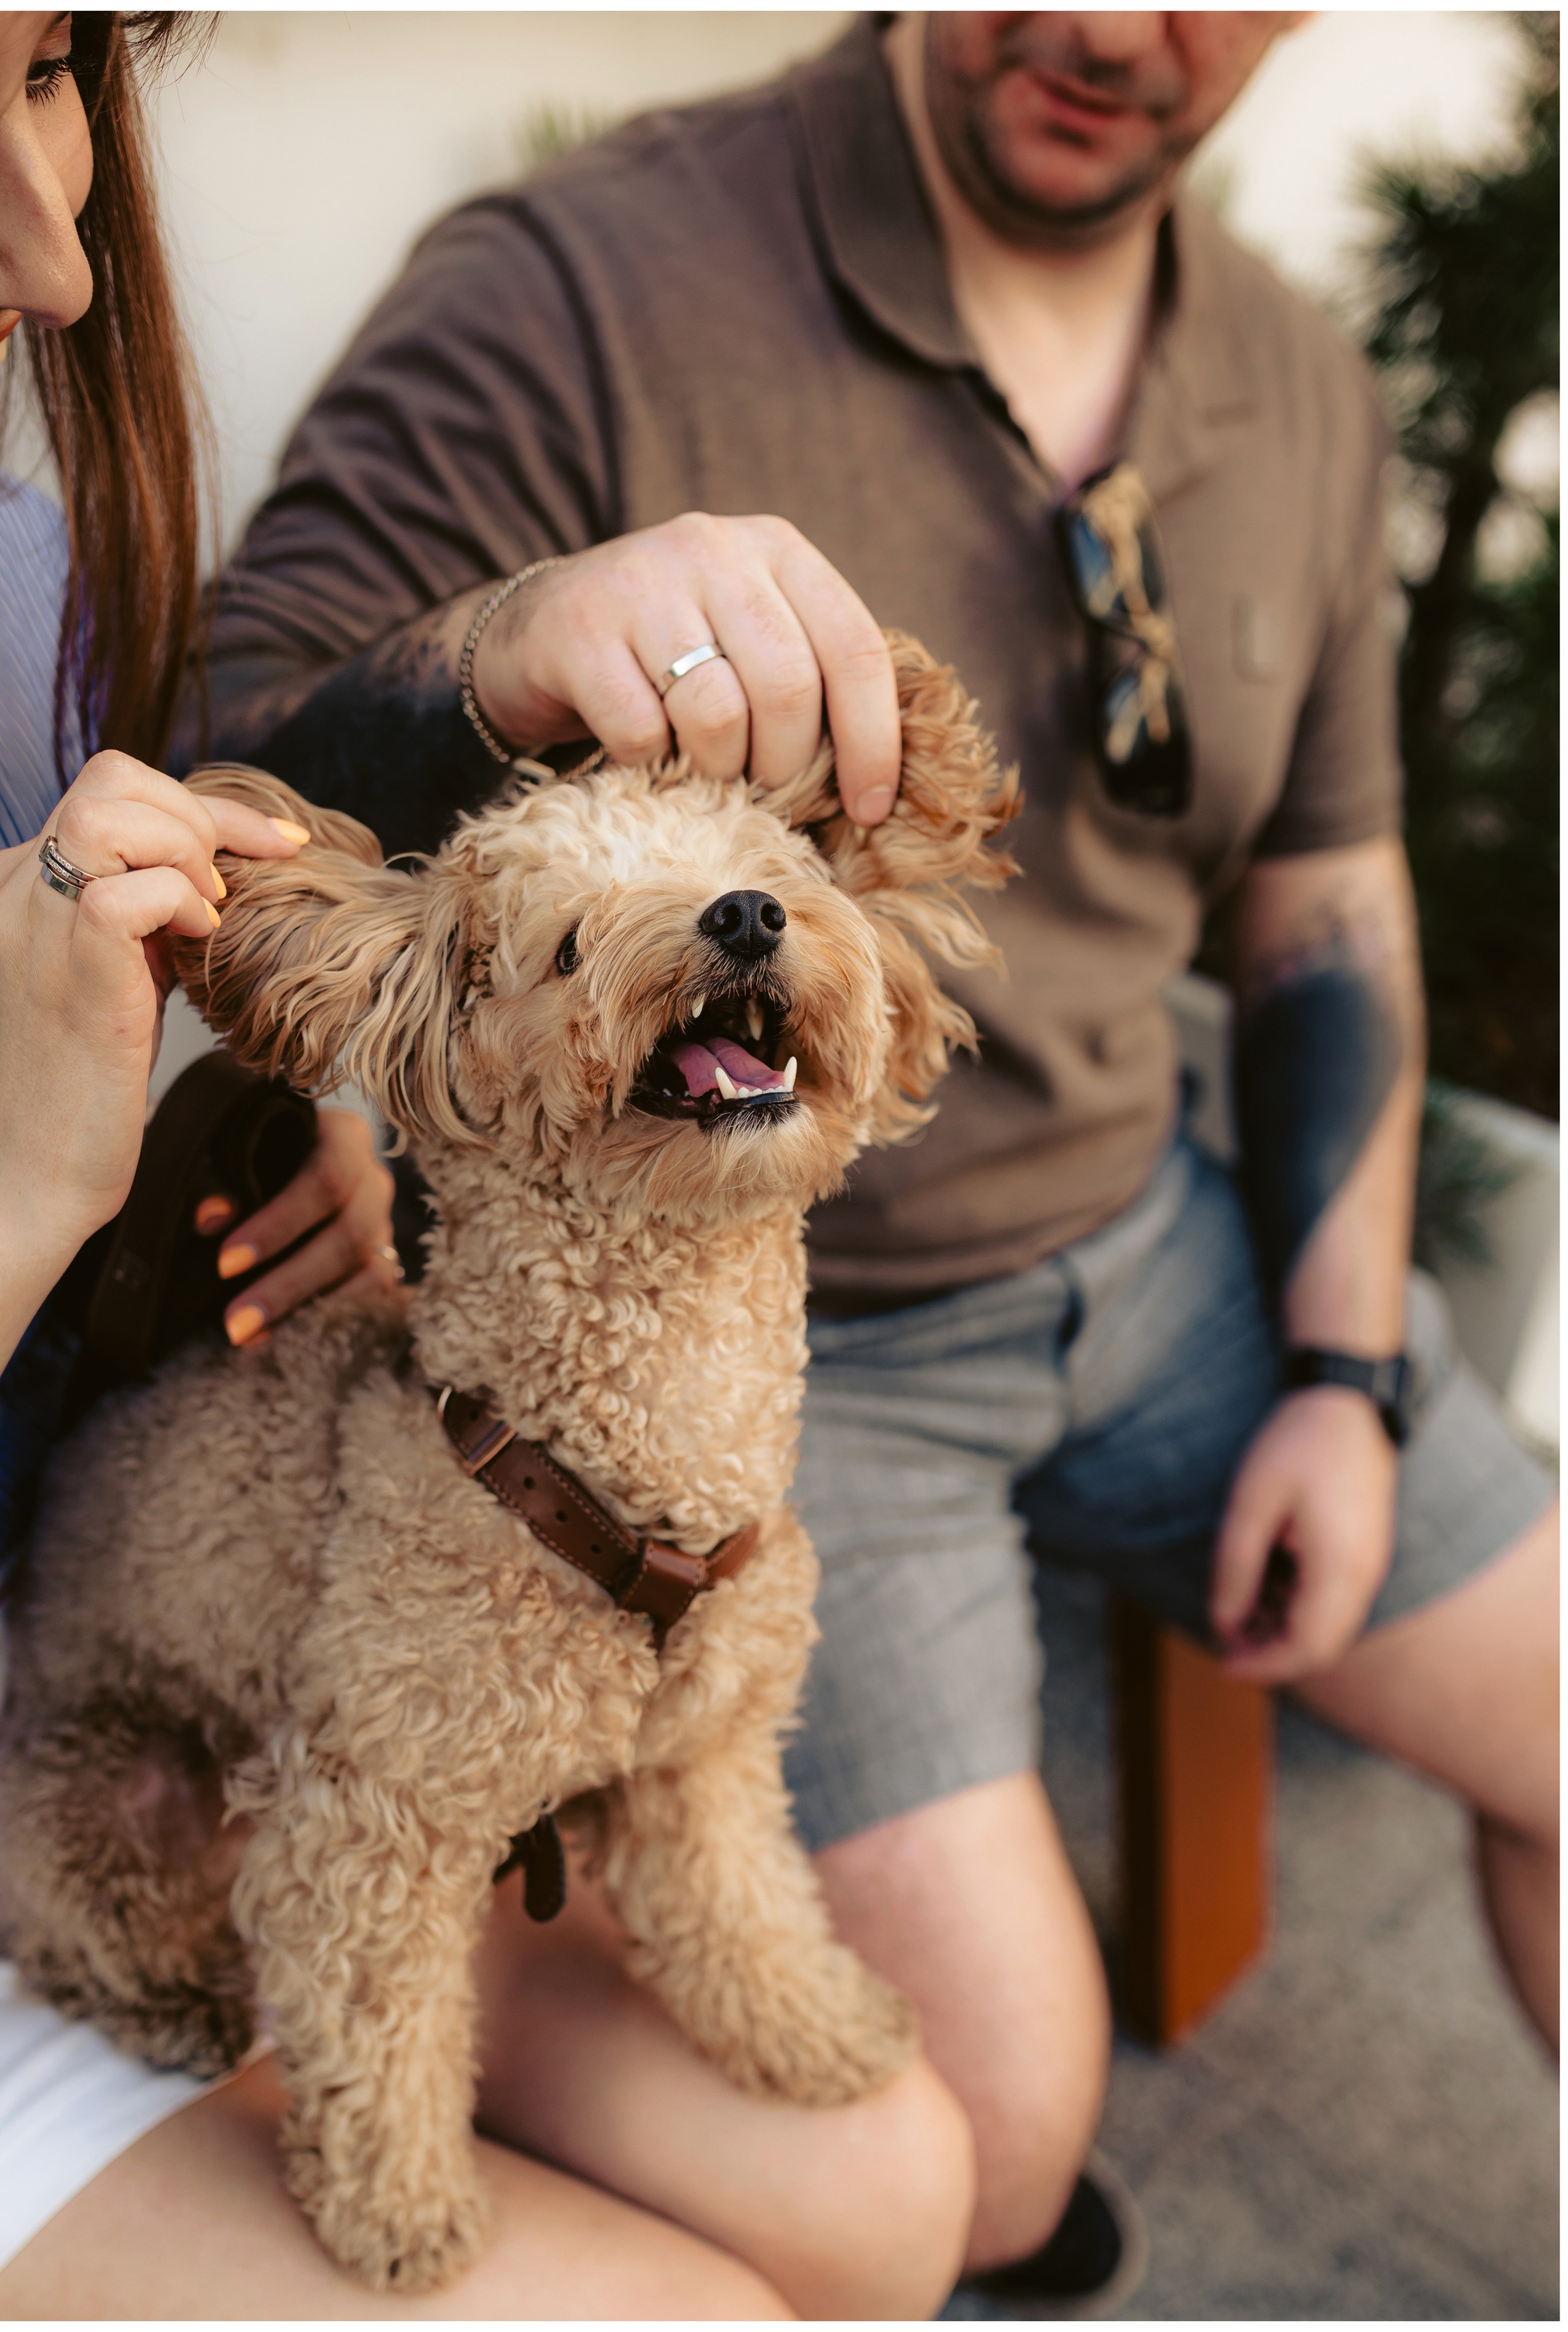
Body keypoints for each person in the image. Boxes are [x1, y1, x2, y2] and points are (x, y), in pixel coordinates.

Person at [200, 8, 1560, 2312]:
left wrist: (1344, 1368)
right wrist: (503, 646)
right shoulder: (571, 280)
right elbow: (224, 751)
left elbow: (1332, 911)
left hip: (1166, 1247)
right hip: (761, 1353)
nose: (1122, 28)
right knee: (985, 2147)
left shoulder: (1301, 383)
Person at [0, 14, 975, 2320]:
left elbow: (279, 900)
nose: (55, 264)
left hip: (109, 1635)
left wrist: (250, 1150)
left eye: (56, 73)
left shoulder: (2, 566)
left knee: (897, 2184)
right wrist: (17, 1195)